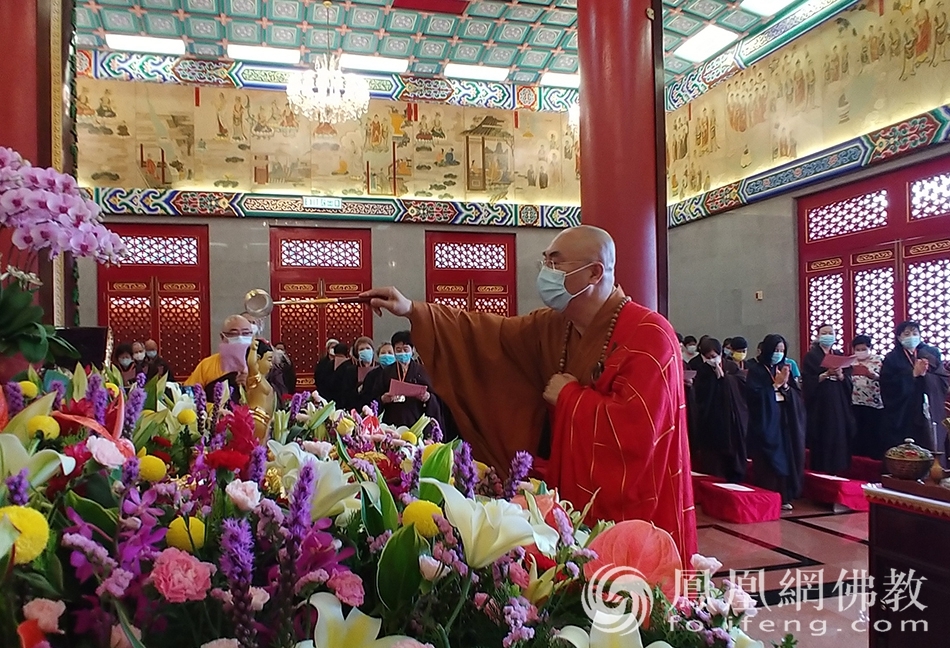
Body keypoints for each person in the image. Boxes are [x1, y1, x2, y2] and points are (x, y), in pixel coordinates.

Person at [362, 225, 697, 561]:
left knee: (632, 590)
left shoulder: (650, 335)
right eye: (544, 262)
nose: (545, 273)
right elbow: (487, 336)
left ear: (595, 272)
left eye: (556, 263)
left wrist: (569, 397)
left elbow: (639, 434)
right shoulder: (555, 327)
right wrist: (412, 310)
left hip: (637, 505)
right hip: (571, 494)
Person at [745, 334, 807, 510]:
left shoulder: (783, 367)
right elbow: (753, 396)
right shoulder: (756, 369)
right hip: (765, 422)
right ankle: (768, 497)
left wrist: (785, 386)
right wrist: (774, 386)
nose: (778, 354)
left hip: (783, 420)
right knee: (768, 461)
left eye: (781, 351)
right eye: (775, 350)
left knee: (786, 456)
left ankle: (785, 495)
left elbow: (796, 395)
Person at [880, 321, 950, 457]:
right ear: (899, 337)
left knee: (931, 440)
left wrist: (926, 376)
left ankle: (934, 472)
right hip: (903, 411)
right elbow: (887, 384)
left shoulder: (930, 353)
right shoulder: (892, 358)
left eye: (915, 333)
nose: (911, 337)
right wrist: (911, 375)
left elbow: (943, 378)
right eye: (906, 334)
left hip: (929, 406)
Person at [692, 338, 748, 482]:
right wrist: (714, 380)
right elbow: (700, 396)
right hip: (711, 422)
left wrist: (725, 379)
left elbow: (741, 386)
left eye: (714, 356)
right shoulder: (702, 370)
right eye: (708, 357)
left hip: (731, 421)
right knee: (713, 462)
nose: (712, 360)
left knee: (732, 460)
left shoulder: (731, 366)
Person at [802, 325, 855, 474]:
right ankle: (821, 471)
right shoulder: (811, 356)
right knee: (824, 434)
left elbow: (848, 380)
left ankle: (840, 469)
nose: (828, 336)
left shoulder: (838, 354)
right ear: (818, 337)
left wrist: (840, 375)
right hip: (821, 403)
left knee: (840, 433)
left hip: (839, 400)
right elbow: (807, 381)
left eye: (831, 333)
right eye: (824, 333)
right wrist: (825, 374)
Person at [369, 331, 443, 430]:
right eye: (398, 350)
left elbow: (436, 398)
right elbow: (373, 396)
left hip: (416, 421)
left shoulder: (422, 371)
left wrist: (428, 397)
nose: (402, 353)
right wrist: (383, 399)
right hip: (391, 422)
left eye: (405, 349)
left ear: (412, 350)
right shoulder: (386, 372)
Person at [185, 314, 255, 389]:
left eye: (246, 333)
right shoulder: (207, 365)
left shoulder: (262, 362)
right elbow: (189, 392)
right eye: (234, 334)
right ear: (222, 336)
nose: (240, 338)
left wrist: (253, 384)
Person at [850, 335, 885, 459]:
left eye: (863, 349)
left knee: (872, 430)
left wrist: (872, 375)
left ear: (869, 348)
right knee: (856, 430)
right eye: (857, 349)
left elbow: (886, 378)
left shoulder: (878, 360)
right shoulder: (850, 361)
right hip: (854, 401)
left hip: (873, 401)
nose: (860, 352)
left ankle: (873, 456)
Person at [336, 336, 379, 411]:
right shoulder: (351, 370)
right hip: (357, 406)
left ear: (372, 351)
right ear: (357, 353)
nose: (365, 351)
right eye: (361, 349)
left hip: (376, 406)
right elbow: (345, 392)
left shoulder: (379, 368)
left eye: (368, 348)